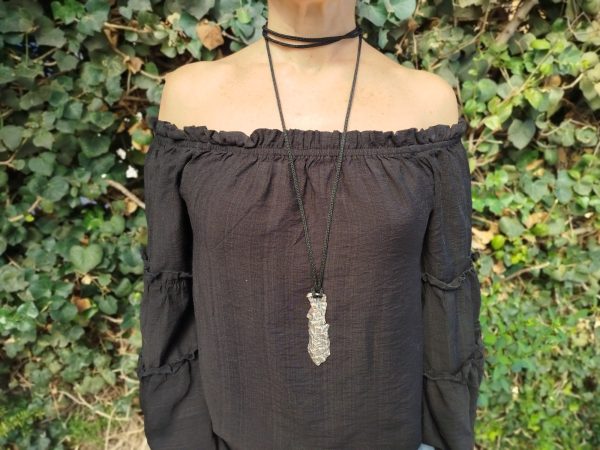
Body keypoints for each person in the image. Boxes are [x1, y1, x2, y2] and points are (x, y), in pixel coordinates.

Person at [136, 1, 485, 449]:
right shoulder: (190, 99)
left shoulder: (427, 105)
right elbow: (171, 292)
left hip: (389, 432)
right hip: (235, 433)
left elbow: (446, 300)